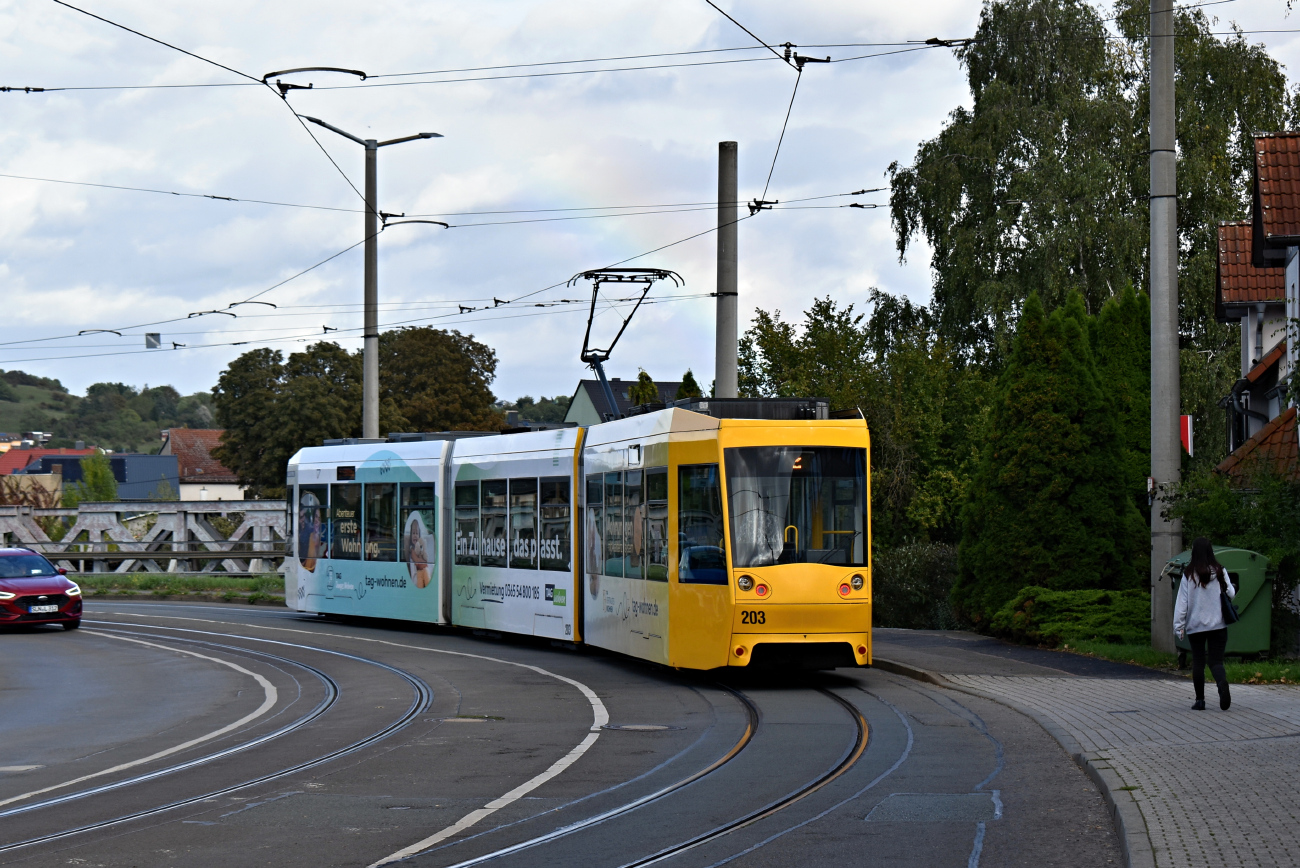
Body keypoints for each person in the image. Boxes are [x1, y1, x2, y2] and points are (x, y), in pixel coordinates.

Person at [1173, 537, 1236, 710]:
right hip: (1218, 625)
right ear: (1210, 551)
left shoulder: (1188, 573)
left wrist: (1178, 626)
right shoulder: (1220, 570)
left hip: (1196, 626)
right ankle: (1221, 683)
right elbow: (1230, 594)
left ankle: (1200, 701)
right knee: (1216, 661)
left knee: (1198, 662)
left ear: (1194, 552)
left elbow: (1182, 603)